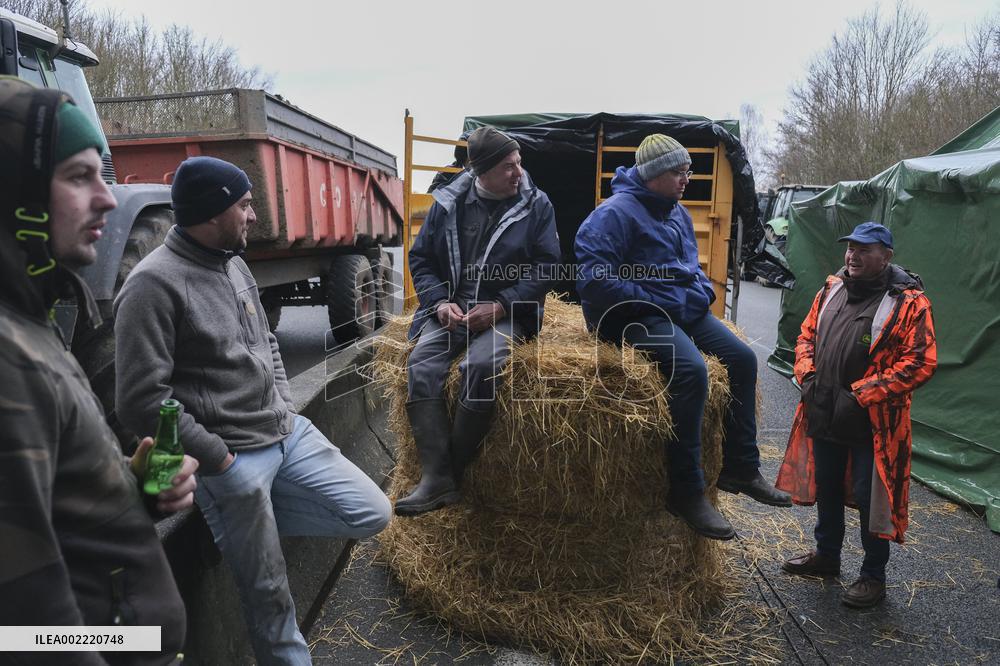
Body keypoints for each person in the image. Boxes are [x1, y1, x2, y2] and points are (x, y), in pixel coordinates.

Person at [113, 156, 392, 665]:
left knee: (373, 511)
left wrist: (285, 405)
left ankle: (237, 526)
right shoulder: (152, 285)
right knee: (270, 595)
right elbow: (139, 399)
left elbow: (266, 342)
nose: (253, 217)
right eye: (244, 205)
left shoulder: (235, 262)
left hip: (288, 431)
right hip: (233, 457)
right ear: (212, 211)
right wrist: (220, 462)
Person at [0, 77, 197, 664]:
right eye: (78, 176)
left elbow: (48, 517)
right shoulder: (8, 359)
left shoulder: (31, 320)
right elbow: (28, 626)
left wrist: (127, 489)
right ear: (18, 193)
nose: (109, 199)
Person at [574, 133, 790, 541]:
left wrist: (702, 292)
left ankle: (740, 467)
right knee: (691, 371)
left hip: (677, 309)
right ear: (653, 174)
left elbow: (688, 267)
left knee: (743, 359)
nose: (685, 179)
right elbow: (595, 282)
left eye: (687, 171)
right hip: (628, 316)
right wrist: (657, 299)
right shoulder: (613, 215)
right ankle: (686, 490)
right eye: (678, 171)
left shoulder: (676, 212)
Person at [396, 126, 561, 517]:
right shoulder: (448, 204)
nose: (518, 172)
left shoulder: (537, 204)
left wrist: (502, 306)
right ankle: (436, 480)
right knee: (421, 364)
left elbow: (548, 266)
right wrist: (438, 303)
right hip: (453, 309)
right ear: (481, 172)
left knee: (481, 366)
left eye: (519, 162)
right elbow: (421, 259)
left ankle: (449, 469)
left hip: (508, 312)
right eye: (508, 166)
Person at [777, 222, 937, 608]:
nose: (853, 255)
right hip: (824, 407)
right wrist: (808, 374)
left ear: (887, 256)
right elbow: (805, 336)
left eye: (865, 249)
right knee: (827, 486)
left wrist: (864, 394)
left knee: (871, 499)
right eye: (850, 248)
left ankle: (873, 577)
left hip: (873, 421)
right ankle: (827, 556)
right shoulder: (830, 288)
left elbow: (921, 362)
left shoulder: (909, 302)